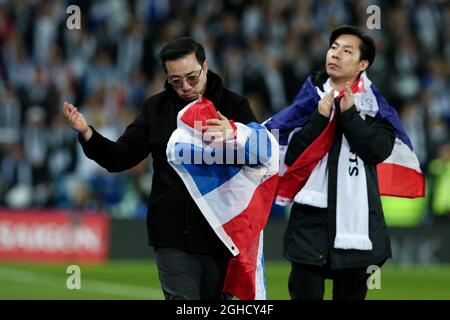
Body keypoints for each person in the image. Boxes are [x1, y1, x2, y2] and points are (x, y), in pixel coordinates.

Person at [63, 37, 258, 300]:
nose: (185, 87)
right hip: (172, 234)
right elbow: (120, 157)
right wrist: (87, 132)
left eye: (191, 77)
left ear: (205, 65)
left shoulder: (234, 106)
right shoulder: (156, 109)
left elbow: (262, 156)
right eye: (175, 81)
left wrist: (236, 134)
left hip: (223, 235)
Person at [265, 25, 424, 300]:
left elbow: (377, 150)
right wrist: (318, 119)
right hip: (309, 222)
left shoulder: (376, 108)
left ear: (363, 64)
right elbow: (292, 156)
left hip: (358, 222)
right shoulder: (309, 99)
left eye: (346, 50)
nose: (335, 54)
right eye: (334, 47)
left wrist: (349, 115)